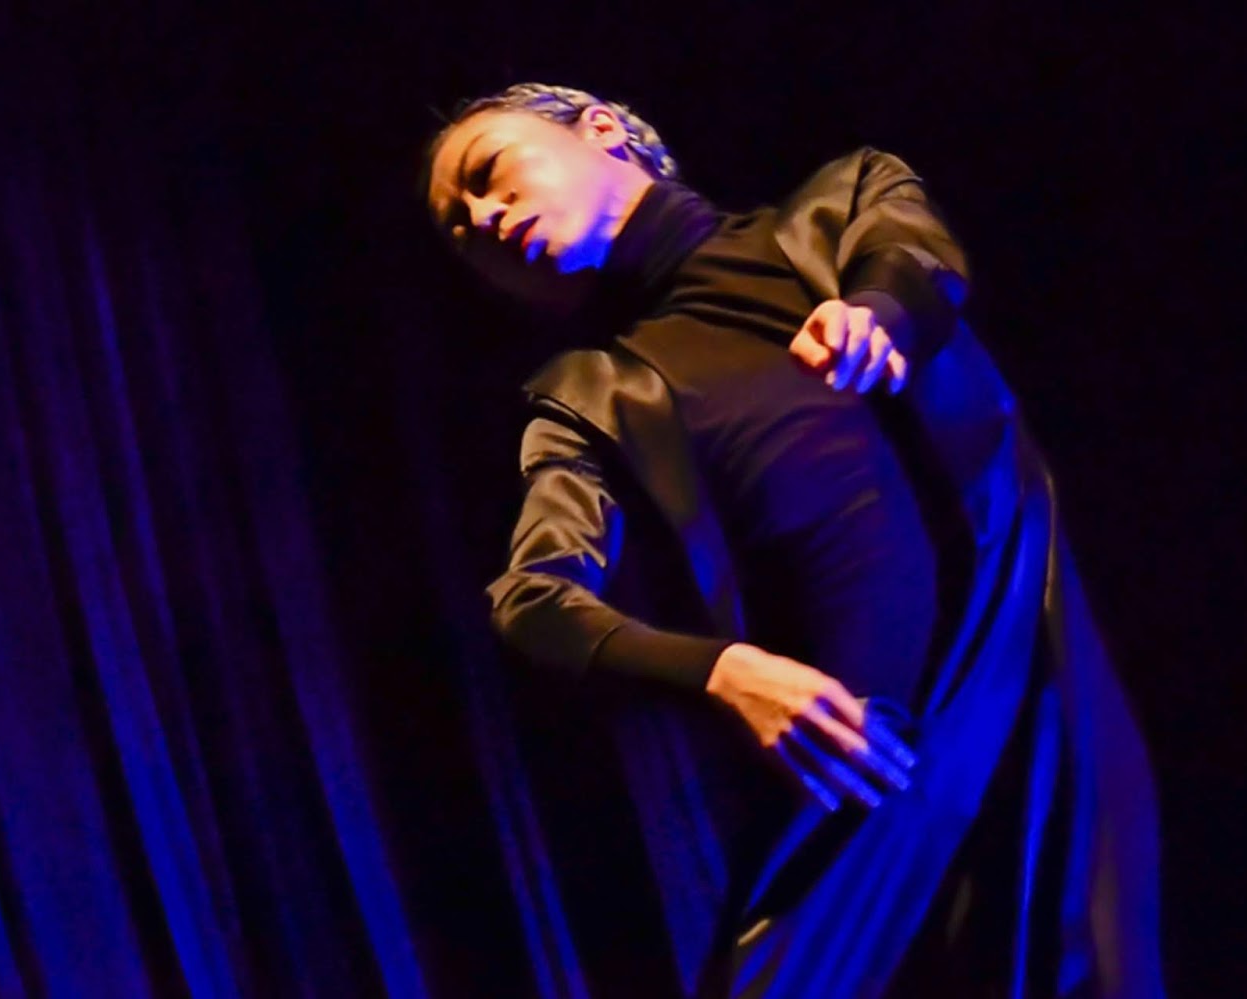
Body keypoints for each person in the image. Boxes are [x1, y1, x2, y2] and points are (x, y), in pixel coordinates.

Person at [425, 83, 1162, 997]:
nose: (484, 219)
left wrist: (876, 313)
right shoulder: (589, 398)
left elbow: (915, 257)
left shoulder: (842, 206)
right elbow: (534, 602)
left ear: (603, 129)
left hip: (1033, 698)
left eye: (488, 174)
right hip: (861, 768)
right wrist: (722, 670)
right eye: (460, 228)